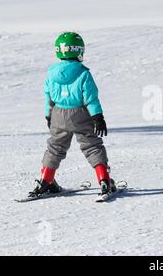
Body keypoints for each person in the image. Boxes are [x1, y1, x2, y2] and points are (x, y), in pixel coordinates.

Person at [29, 32, 116, 197]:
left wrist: (49, 116)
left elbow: (48, 97)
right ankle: (104, 179)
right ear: (78, 51)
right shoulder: (83, 73)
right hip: (80, 114)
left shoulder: (51, 73)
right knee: (91, 145)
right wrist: (98, 117)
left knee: (55, 147)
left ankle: (45, 180)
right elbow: (91, 98)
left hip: (57, 114)